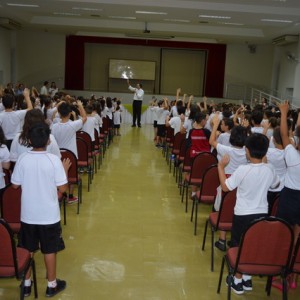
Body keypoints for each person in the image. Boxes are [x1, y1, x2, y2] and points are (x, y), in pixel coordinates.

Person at [11, 122, 71, 298]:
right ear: (48, 141)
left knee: (27, 249)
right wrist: (65, 171)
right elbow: (63, 189)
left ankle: (27, 284)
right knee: (49, 249)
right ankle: (51, 285)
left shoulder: (22, 158)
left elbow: (14, 185)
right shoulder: (53, 160)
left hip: (28, 215)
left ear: (29, 139)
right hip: (49, 215)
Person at [218, 133, 280, 295]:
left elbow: (226, 187)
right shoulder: (269, 169)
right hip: (261, 214)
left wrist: (220, 167)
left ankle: (237, 280)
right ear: (266, 151)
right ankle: (247, 277)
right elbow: (276, 185)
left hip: (243, 214)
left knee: (238, 245)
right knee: (254, 244)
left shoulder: (243, 170)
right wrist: (266, 165)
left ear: (247, 150)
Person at [276, 101, 300, 289]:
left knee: (284, 235)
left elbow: (284, 135)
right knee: (297, 239)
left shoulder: (292, 156)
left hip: (290, 199)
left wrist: (284, 113)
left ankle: (281, 274)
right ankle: (294, 278)